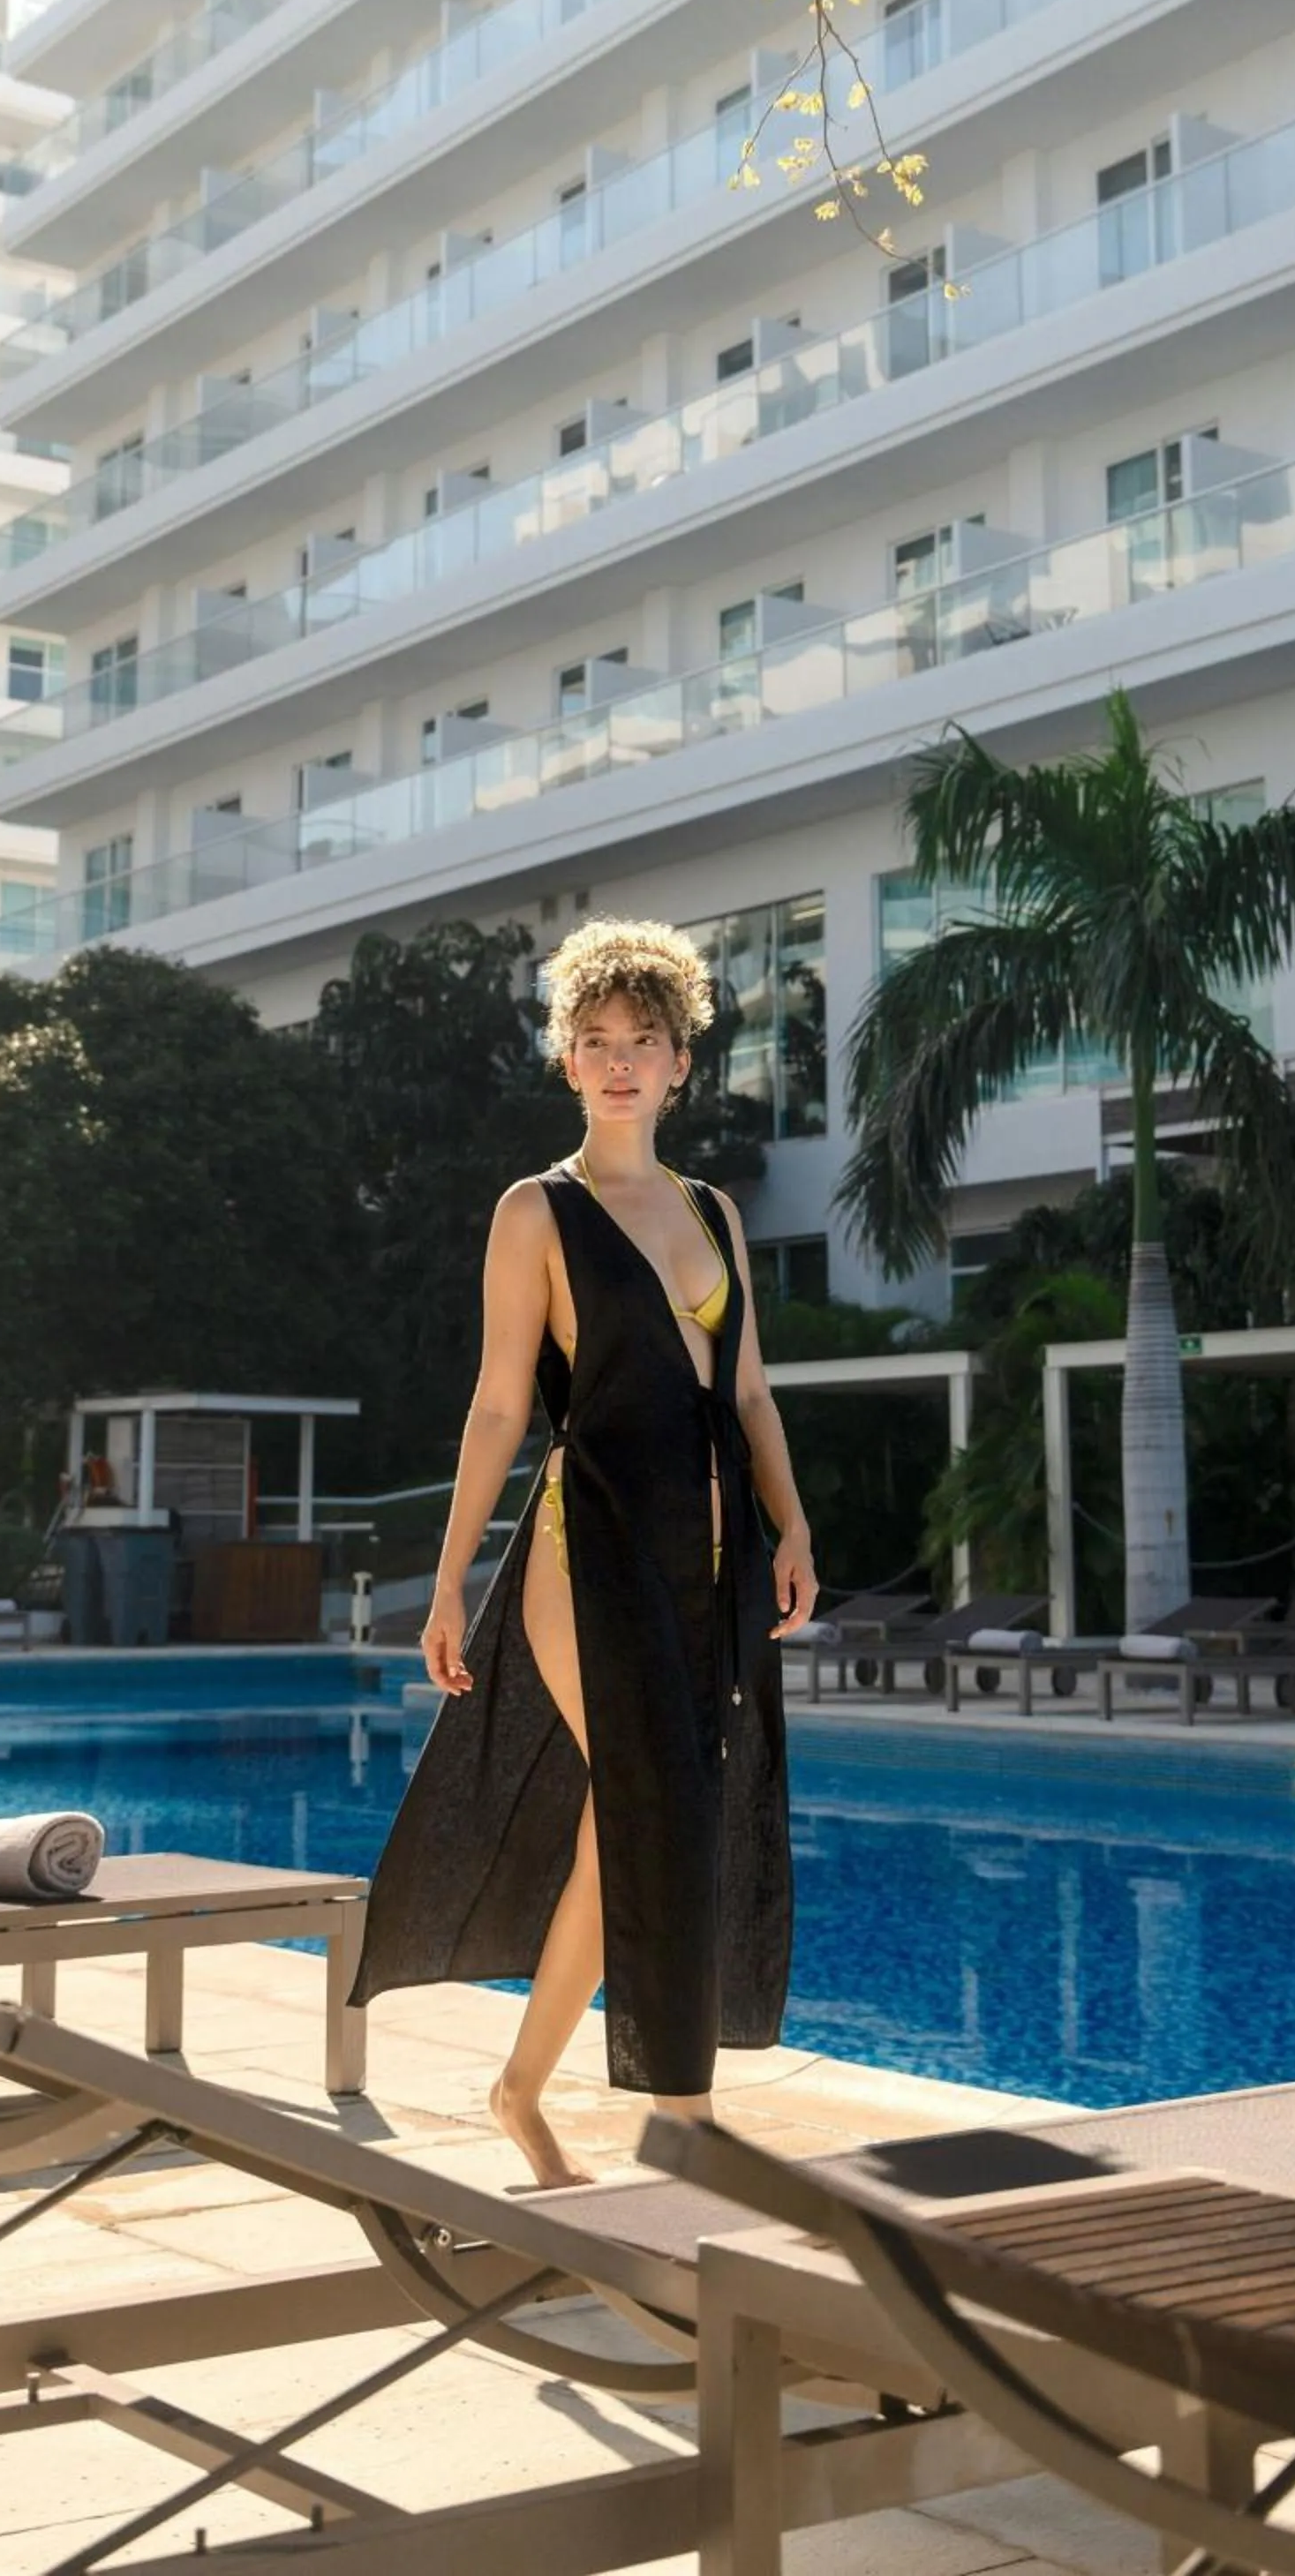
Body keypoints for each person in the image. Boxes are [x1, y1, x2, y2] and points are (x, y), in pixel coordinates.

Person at [351, 917, 818, 2187]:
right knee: (658, 1808)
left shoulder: (713, 1211)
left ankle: (521, 2090)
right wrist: (449, 1578)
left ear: (681, 1062)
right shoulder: (536, 1213)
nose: (621, 1065)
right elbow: (502, 1404)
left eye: (645, 1043)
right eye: (596, 1043)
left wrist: (793, 1526)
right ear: (568, 1060)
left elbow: (754, 1395)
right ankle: (681, 2114)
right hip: (587, 1546)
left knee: (647, 1826)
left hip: (711, 1566)